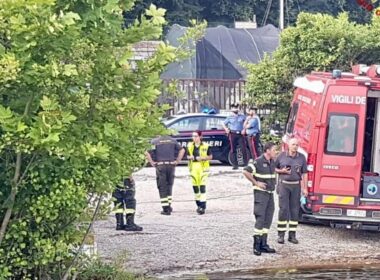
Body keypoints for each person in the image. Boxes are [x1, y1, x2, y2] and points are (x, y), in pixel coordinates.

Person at [243, 142, 277, 256]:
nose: (275, 152)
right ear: (267, 150)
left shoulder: (272, 162)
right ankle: (256, 246)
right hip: (261, 195)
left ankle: (263, 244)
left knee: (268, 218)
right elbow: (246, 171)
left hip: (270, 194)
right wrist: (256, 183)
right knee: (260, 218)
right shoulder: (258, 161)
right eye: (274, 150)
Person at [275, 137, 308, 244]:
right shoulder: (281, 156)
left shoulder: (301, 157)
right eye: (293, 144)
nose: (295, 147)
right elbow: (273, 168)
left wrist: (305, 188)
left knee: (294, 211)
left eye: (297, 145)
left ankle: (292, 235)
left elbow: (304, 173)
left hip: (296, 186)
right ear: (288, 145)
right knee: (283, 210)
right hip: (284, 186)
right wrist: (282, 171)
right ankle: (281, 235)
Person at [145, 135, 185, 215]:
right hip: (171, 165)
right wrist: (177, 161)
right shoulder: (172, 140)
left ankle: (165, 209)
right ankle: (169, 205)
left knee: (162, 186)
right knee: (169, 185)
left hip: (160, 166)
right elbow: (182, 150)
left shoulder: (155, 141)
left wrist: (152, 162)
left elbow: (146, 152)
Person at [186, 130, 213, 215]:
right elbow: (187, 155)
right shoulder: (190, 145)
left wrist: (202, 158)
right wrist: (190, 157)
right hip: (193, 167)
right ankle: (198, 204)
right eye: (193, 136)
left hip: (203, 168)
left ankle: (203, 206)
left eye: (196, 136)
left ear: (200, 137)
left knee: (202, 187)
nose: (194, 138)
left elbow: (210, 156)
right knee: (195, 188)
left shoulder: (206, 145)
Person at [222, 104, 247, 170]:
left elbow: (247, 122)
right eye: (234, 108)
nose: (235, 109)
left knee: (243, 149)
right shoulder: (229, 117)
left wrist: (244, 129)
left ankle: (245, 164)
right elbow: (223, 123)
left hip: (240, 134)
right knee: (233, 149)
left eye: (236, 107)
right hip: (233, 134)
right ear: (232, 109)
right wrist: (226, 129)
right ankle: (235, 165)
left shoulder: (242, 116)